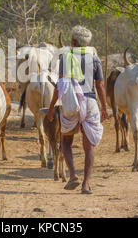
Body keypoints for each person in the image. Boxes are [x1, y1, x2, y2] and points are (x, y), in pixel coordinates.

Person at [47, 25, 108, 194]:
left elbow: (60, 86)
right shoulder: (94, 59)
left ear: (73, 41)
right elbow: (100, 85)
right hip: (90, 102)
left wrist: (51, 108)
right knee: (89, 147)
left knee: (66, 142)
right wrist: (104, 106)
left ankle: (73, 175)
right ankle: (86, 184)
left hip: (70, 103)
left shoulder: (66, 58)